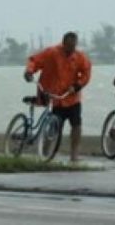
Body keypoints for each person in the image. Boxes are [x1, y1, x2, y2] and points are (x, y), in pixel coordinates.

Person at [23, 31, 92, 163]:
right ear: (63, 43)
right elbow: (34, 61)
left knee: (76, 124)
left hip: (71, 97)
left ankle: (74, 155)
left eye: (73, 47)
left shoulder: (80, 57)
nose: (70, 50)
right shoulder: (51, 52)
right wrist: (29, 71)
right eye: (68, 47)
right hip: (53, 96)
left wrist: (77, 86)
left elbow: (86, 73)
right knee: (54, 126)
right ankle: (45, 152)